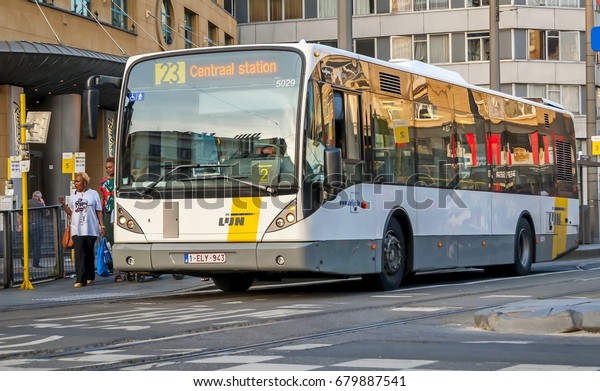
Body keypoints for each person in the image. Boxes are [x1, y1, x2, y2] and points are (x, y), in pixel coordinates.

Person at [58, 172, 104, 288]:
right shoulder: (73, 196)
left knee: (88, 252)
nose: (76, 183)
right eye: (75, 181)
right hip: (76, 228)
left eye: (78, 181)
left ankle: (90, 276)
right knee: (79, 253)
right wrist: (63, 205)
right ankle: (80, 279)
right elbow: (70, 213)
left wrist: (101, 226)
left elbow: (99, 210)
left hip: (91, 228)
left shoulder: (93, 194)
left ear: (85, 182)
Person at [100, 156, 120, 281]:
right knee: (111, 241)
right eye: (106, 167)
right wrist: (101, 223)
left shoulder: (121, 179)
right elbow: (103, 200)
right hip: (107, 212)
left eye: (110, 167)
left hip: (119, 211)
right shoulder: (103, 182)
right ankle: (116, 270)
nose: (108, 169)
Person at [17, 190, 49, 268]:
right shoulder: (39, 204)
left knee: (29, 244)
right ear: (39, 198)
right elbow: (47, 213)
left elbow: (20, 215)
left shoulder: (26, 202)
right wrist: (43, 204)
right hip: (37, 226)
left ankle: (24, 258)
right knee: (37, 245)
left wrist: (20, 225)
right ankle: (35, 264)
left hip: (27, 226)